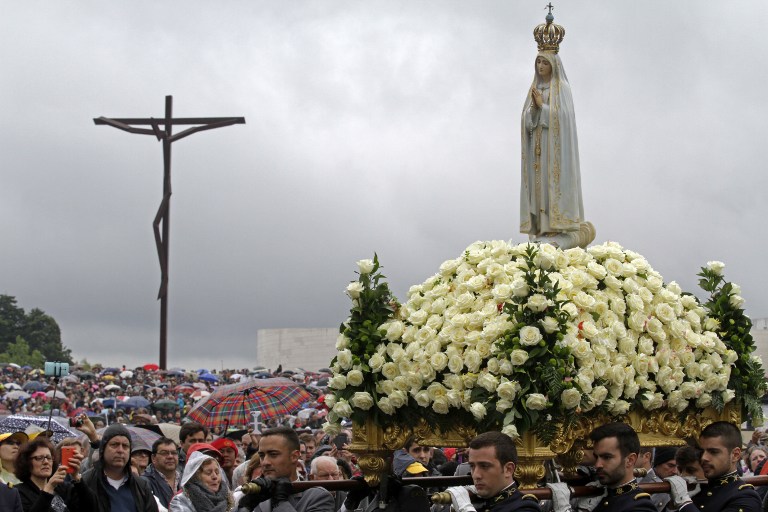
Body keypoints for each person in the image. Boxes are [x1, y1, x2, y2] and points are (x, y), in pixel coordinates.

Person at [520, 12, 591, 250]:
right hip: (538, 151)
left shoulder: (563, 89)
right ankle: (542, 228)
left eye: (545, 62)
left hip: (555, 152)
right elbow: (527, 121)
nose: (541, 66)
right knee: (540, 189)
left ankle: (558, 228)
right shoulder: (535, 88)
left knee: (553, 187)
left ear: (553, 65)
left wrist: (543, 106)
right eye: (538, 62)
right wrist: (532, 112)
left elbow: (565, 120)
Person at [666, 421, 761, 512]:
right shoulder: (698, 488)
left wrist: (684, 502)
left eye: (713, 452)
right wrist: (672, 506)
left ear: (735, 455)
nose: (704, 458)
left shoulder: (746, 497)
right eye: (702, 452)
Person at [237, 426, 334, 512]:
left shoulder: (318, 497)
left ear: (294, 456)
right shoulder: (256, 495)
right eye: (262, 455)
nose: (265, 462)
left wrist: (280, 501)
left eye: (273, 454)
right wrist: (246, 506)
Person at [565, 422, 656, 512]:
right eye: (596, 457)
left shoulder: (639, 507)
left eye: (607, 457)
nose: (597, 465)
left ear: (630, 460)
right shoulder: (602, 498)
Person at [444, 431, 541, 512]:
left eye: (484, 466)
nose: (476, 475)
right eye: (472, 466)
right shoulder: (480, 502)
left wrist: (464, 508)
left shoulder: (525, 508)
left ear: (508, 469)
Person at [81, 423, 159, 512]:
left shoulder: (141, 486)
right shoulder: (86, 482)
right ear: (103, 448)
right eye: (114, 445)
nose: (120, 450)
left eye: (125, 446)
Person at [13, 437, 96, 512]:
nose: (46, 462)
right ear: (26, 462)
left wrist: (77, 477)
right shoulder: (18, 492)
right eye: (39, 458)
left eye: (49, 458)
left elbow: (90, 507)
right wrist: (49, 488)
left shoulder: (62, 488)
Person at [169, 451, 234, 512]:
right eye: (208, 473)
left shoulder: (230, 499)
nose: (215, 477)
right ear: (195, 477)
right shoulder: (181, 500)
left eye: (217, 472)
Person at [143, 437, 182, 509]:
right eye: (164, 453)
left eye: (174, 453)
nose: (170, 456)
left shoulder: (185, 480)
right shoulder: (144, 483)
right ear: (153, 458)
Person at [637, 446, 678, 511]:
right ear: (658, 464)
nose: (675, 471)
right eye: (670, 466)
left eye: (678, 467)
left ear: (647, 456)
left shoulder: (661, 490)